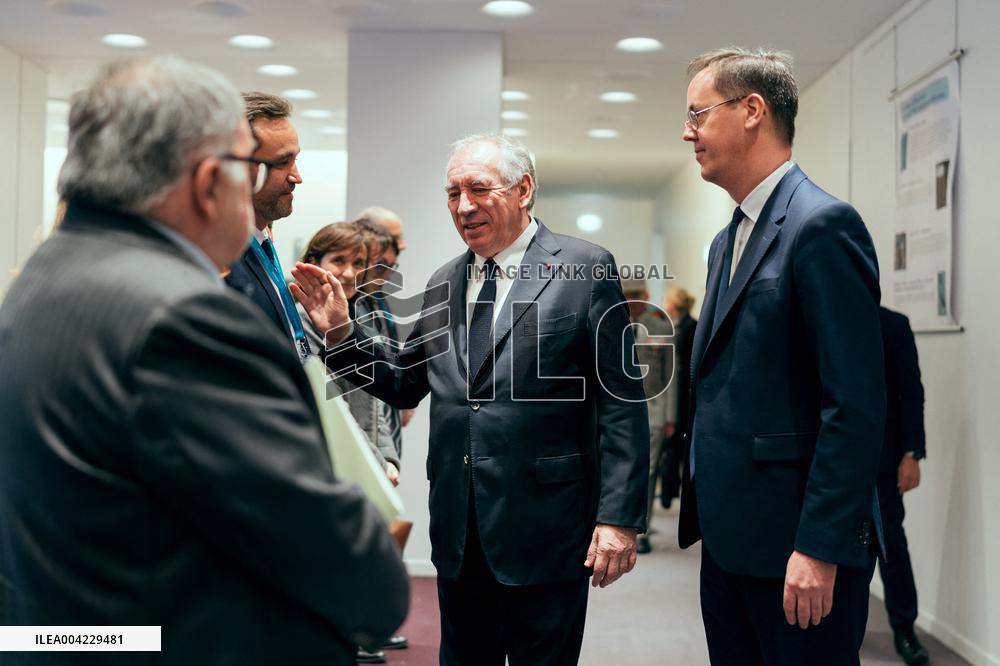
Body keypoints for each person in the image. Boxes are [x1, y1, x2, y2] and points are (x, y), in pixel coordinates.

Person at [0, 57, 408, 665]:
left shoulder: (39, 282)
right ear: (207, 180)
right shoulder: (184, 318)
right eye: (251, 167)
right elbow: (349, 570)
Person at [299, 133, 649, 665]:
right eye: (452, 193)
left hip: (546, 526)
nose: (463, 207)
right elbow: (401, 381)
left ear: (523, 189)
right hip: (461, 530)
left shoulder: (585, 268)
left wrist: (618, 517)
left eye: (479, 189)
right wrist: (342, 334)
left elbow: (621, 403)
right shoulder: (444, 281)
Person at [677, 47, 886, 665]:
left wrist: (820, 547)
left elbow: (854, 403)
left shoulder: (822, 225)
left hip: (798, 549)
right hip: (730, 541)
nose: (687, 131)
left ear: (751, 111)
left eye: (698, 113)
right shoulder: (726, 240)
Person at [224, 92, 312, 360]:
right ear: (237, 167)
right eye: (283, 163)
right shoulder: (220, 259)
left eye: (295, 159)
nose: (297, 176)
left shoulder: (261, 241)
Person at [877, 306, 929, 666]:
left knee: (891, 545)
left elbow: (911, 391)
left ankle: (904, 628)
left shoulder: (894, 325)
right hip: (826, 458)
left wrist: (912, 453)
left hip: (883, 458)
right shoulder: (822, 316)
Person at [621, 279, 674, 555]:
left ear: (645, 295)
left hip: (653, 407)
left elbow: (670, 375)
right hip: (620, 410)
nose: (631, 301)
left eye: (635, 295)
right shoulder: (613, 322)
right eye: (626, 295)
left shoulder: (661, 328)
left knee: (650, 470)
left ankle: (642, 529)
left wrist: (670, 418)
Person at [659, 286, 697, 508]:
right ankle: (669, 491)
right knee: (670, 446)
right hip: (672, 387)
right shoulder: (669, 326)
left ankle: (680, 492)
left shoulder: (690, 327)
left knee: (680, 443)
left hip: (684, 391)